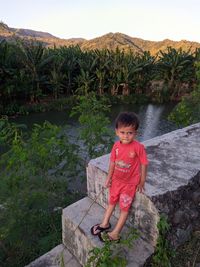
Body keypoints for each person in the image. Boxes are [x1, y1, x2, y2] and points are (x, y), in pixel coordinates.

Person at [90, 111, 148, 242]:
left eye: (130, 133)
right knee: (111, 201)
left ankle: (116, 233)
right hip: (116, 181)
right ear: (116, 131)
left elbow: (144, 164)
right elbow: (112, 163)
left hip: (129, 184)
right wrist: (109, 178)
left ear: (135, 133)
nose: (126, 136)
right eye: (123, 132)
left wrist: (142, 181)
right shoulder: (116, 146)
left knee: (124, 208)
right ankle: (105, 223)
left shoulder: (138, 147)